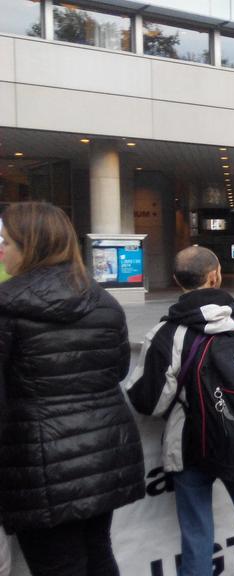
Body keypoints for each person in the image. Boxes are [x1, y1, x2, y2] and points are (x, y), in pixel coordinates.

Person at [0, 202, 145, 575]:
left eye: (6, 242)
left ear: (30, 246)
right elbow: (118, 369)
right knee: (97, 552)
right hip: (103, 454)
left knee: (56, 564)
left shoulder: (7, 306)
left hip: (37, 462)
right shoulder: (104, 301)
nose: (1, 250)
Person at [125, 246, 234, 576]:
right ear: (217, 275)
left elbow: (149, 403)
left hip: (191, 446)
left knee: (197, 536)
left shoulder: (167, 334)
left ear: (176, 281)